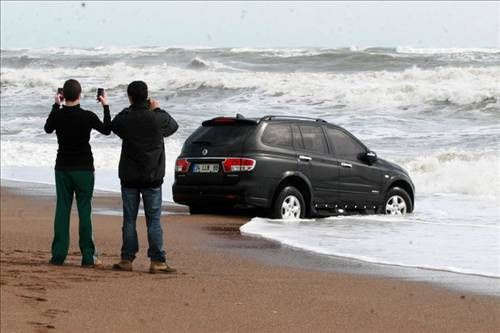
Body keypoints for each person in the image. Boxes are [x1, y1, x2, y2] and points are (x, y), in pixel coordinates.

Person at [111, 81, 178, 274]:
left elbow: (114, 125)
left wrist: (130, 108)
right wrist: (157, 109)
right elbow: (173, 126)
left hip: (129, 177)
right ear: (147, 96)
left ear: (130, 97)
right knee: (154, 219)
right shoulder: (156, 118)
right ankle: (157, 261)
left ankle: (126, 259)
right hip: (152, 177)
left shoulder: (127, 117)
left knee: (129, 219)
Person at [44, 79, 111, 267]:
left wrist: (56, 105)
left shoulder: (58, 115)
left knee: (62, 210)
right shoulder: (87, 116)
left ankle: (58, 255)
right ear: (80, 95)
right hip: (84, 169)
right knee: (84, 210)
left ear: (63, 95)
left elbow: (47, 128)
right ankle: (88, 257)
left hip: (63, 168)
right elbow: (107, 130)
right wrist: (105, 106)